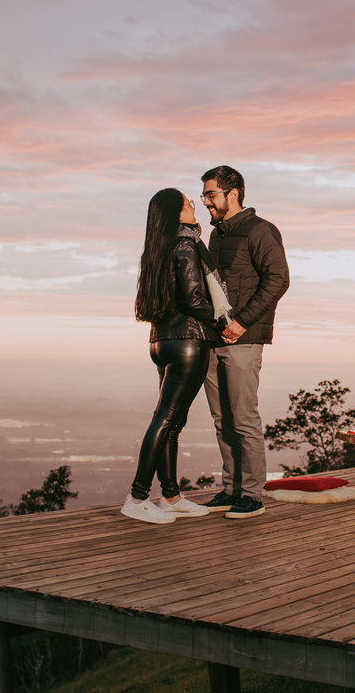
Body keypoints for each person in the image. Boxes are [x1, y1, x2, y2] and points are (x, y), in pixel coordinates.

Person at [122, 188, 229, 525]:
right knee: (166, 420)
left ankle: (170, 496)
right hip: (188, 340)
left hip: (161, 341)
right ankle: (137, 497)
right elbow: (195, 298)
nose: (193, 207)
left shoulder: (157, 248)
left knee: (170, 422)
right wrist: (221, 322)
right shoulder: (185, 244)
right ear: (176, 212)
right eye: (187, 203)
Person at [200, 166, 290, 519]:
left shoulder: (260, 230)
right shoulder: (216, 234)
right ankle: (231, 489)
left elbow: (278, 279)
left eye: (211, 194)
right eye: (204, 195)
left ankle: (252, 495)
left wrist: (241, 323)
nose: (205, 201)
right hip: (214, 338)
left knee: (243, 418)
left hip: (244, 339)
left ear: (233, 193)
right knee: (222, 419)